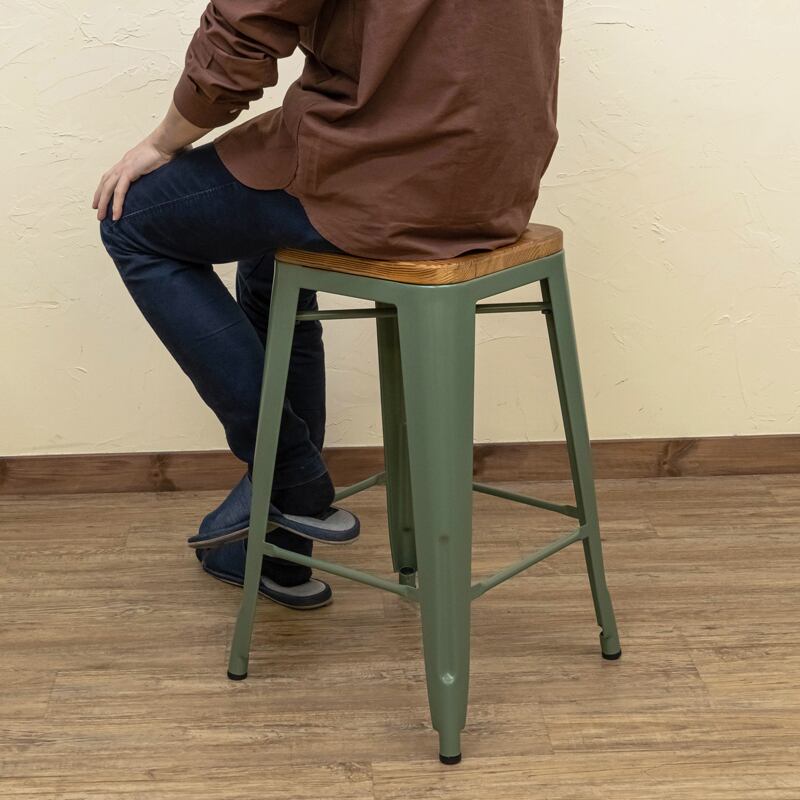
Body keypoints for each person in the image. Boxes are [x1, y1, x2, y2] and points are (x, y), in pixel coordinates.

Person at [95, 0, 564, 610]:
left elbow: (244, 28)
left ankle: (289, 473)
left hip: (381, 166)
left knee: (132, 224)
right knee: (268, 258)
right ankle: (282, 548)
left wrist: (165, 140)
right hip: (494, 182)